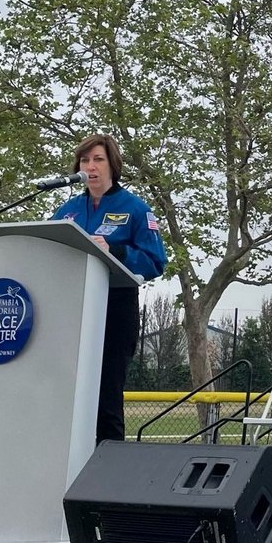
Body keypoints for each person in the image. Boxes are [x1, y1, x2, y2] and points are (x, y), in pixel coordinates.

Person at [50, 134, 168, 445]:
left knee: (106, 401)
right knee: (63, 396)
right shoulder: (67, 211)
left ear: (113, 165)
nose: (90, 166)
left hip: (114, 309)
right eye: (85, 160)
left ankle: (107, 470)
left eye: (98, 159)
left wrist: (115, 250)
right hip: (70, 310)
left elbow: (156, 261)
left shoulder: (135, 209)